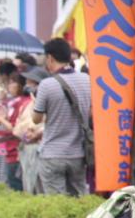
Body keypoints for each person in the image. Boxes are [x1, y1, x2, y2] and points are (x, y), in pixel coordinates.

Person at [32, 38, 92, 196]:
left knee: (56, 204)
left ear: (50, 58)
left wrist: (35, 102)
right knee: (79, 200)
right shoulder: (87, 80)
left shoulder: (46, 84)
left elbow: (36, 119)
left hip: (52, 153)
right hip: (78, 153)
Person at [0, 73, 31, 191]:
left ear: (21, 85)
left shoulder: (24, 103)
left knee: (16, 185)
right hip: (9, 149)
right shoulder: (12, 101)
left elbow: (16, 129)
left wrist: (1, 119)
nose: (9, 85)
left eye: (13, 82)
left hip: (17, 151)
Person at [14, 67, 49, 194]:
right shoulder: (27, 103)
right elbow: (17, 128)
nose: (27, 85)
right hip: (27, 149)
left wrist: (36, 132)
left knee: (40, 189)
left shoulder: (46, 101)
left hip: (40, 149)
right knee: (29, 187)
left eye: (31, 82)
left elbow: (41, 123)